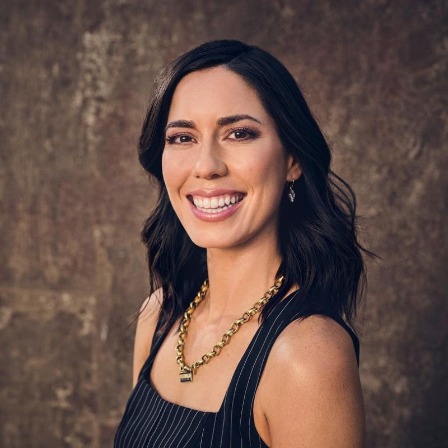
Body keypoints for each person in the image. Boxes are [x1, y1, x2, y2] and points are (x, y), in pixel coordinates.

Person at [114, 39, 368, 447]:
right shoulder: (159, 315)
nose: (206, 167)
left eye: (239, 133)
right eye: (182, 137)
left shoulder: (308, 355)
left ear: (292, 160)